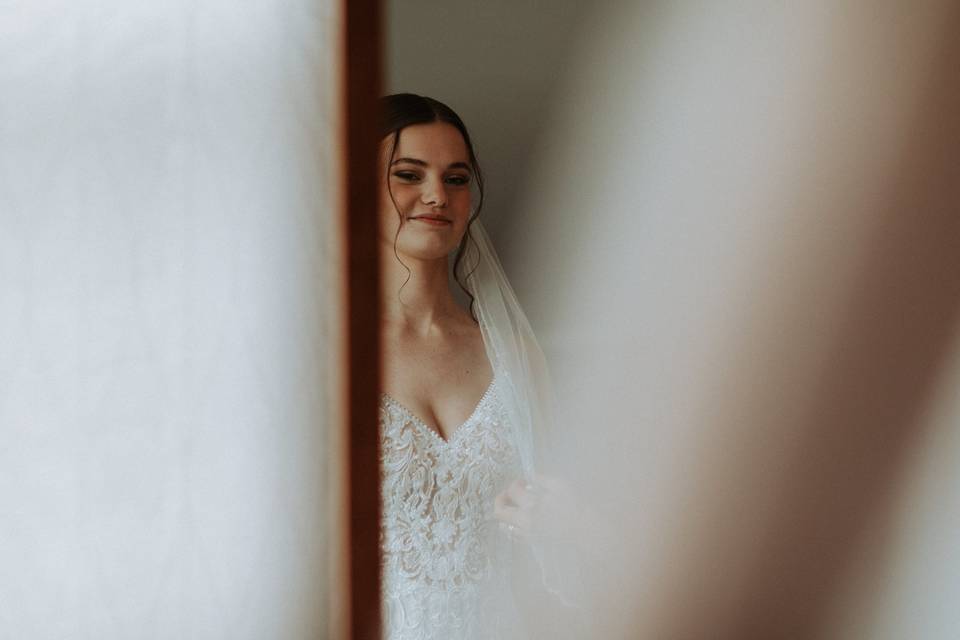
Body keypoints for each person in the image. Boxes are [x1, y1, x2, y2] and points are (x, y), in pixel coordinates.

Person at [377, 93, 576, 640]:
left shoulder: (513, 357)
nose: (437, 195)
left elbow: (556, 546)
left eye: (457, 178)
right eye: (408, 175)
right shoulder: (326, 357)